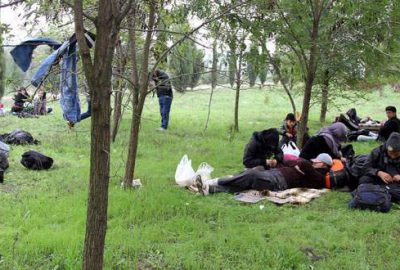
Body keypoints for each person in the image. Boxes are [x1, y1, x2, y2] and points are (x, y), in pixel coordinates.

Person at [195, 153, 333, 195]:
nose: (314, 162)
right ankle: (210, 190)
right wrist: (296, 165)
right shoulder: (309, 167)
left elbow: (302, 164)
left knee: (252, 176)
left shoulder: (319, 176)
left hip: (279, 182)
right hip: (275, 173)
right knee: (255, 172)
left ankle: (214, 182)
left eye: (317, 161)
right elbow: (292, 163)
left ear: (324, 164)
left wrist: (301, 165)